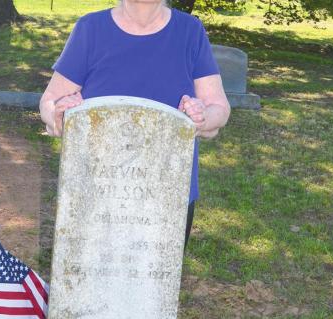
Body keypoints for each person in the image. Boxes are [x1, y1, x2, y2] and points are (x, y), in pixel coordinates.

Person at [39, 0, 230, 247]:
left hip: (169, 192)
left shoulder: (190, 31)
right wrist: (58, 114)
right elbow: (49, 102)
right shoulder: (91, 29)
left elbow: (220, 109)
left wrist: (201, 117)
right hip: (96, 189)